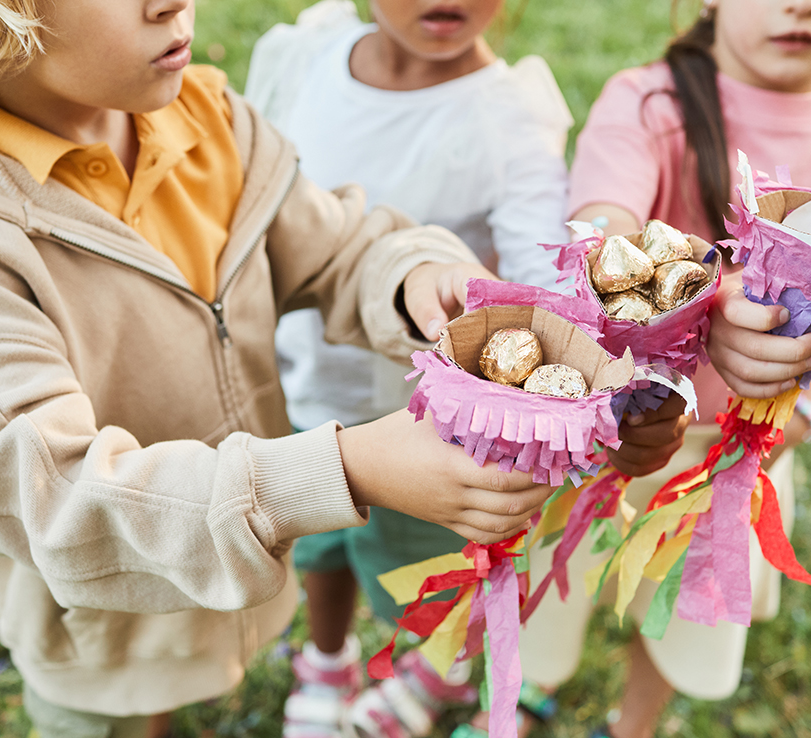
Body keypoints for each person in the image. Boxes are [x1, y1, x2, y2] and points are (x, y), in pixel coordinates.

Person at [0, 0, 559, 735]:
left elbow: (331, 248)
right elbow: (53, 491)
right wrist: (345, 470)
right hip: (101, 632)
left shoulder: (202, 119)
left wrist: (409, 278)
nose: (173, 3)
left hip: (228, 590)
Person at [512, 0, 811, 736]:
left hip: (731, 453)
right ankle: (517, 700)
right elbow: (605, 219)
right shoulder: (647, 104)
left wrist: (808, 403)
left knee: (675, 616)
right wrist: (703, 302)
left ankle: (633, 723)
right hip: (615, 432)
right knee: (548, 592)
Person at [242, 1, 588, 736]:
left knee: (429, 576)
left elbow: (540, 271)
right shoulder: (305, 57)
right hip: (302, 379)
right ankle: (327, 658)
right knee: (320, 539)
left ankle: (434, 671)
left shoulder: (508, 115)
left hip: (426, 427)